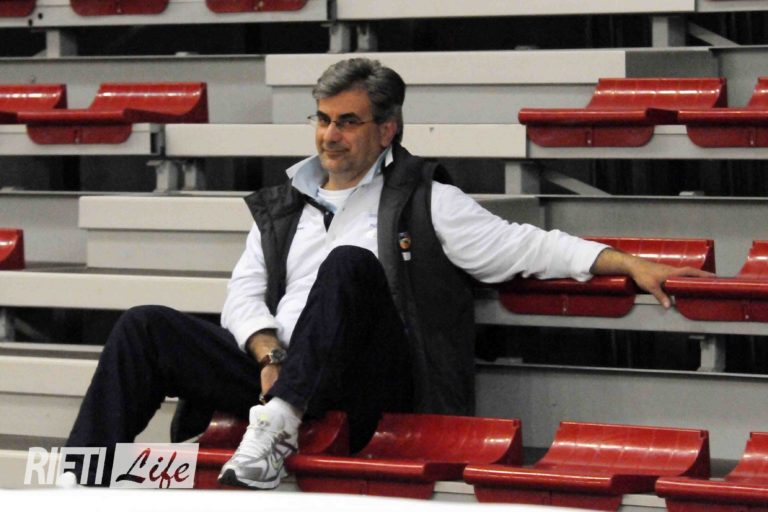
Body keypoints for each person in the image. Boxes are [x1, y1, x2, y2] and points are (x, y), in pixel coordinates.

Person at [64, 57, 712, 489]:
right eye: (323, 120)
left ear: (386, 130)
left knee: (348, 266)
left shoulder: (426, 199)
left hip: (368, 384)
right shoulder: (286, 203)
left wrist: (625, 262)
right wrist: (269, 353)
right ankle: (81, 478)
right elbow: (243, 295)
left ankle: (276, 429)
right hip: (282, 369)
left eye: (348, 122)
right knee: (144, 327)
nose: (330, 136)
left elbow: (525, 244)